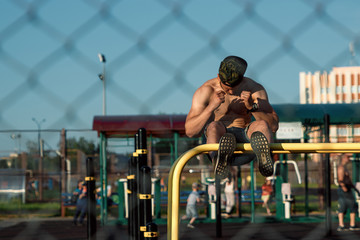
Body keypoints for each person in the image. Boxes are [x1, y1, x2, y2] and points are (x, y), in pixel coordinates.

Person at [185, 56, 279, 178]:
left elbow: (273, 126)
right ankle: (219, 162)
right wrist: (211, 107)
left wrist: (252, 107)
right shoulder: (206, 91)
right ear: (219, 77)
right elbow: (191, 131)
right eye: (226, 87)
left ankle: (264, 161)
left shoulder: (254, 89)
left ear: (242, 79)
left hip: (246, 141)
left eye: (234, 87)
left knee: (261, 125)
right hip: (219, 139)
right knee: (214, 126)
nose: (230, 92)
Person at [336, 153, 360, 231]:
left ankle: (351, 225)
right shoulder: (341, 168)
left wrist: (354, 188)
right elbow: (340, 180)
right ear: (343, 158)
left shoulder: (344, 167)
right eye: (347, 157)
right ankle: (341, 225)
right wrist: (344, 188)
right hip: (344, 190)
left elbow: (348, 180)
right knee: (344, 206)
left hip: (347, 189)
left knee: (352, 206)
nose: (349, 158)